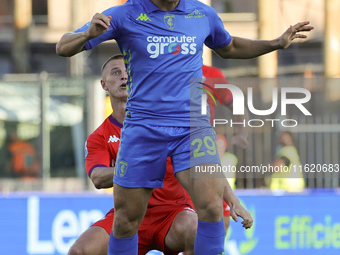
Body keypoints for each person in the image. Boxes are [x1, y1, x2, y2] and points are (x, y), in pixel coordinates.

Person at [56, 1, 313, 253]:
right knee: (126, 221)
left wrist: (276, 43)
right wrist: (88, 34)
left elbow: (230, 46)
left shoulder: (202, 14)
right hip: (144, 129)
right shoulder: (125, 14)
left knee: (212, 209)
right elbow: (62, 47)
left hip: (192, 127)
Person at [69, 55, 251, 255]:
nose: (124, 77)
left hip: (172, 214)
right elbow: (98, 177)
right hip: (128, 215)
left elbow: (203, 163)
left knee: (199, 234)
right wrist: (137, 166)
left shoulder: (170, 120)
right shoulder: (99, 136)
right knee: (79, 251)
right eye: (116, 72)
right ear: (104, 85)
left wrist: (233, 200)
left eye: (128, 72)